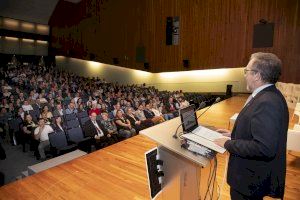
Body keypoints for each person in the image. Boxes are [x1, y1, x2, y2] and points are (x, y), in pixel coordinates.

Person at [214, 52, 289, 200]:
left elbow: (264, 148)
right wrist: (234, 135)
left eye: (246, 71)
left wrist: (229, 143)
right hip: (250, 179)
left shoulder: (267, 102)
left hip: (249, 182)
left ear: (257, 75)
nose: (245, 75)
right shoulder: (269, 95)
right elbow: (259, 132)